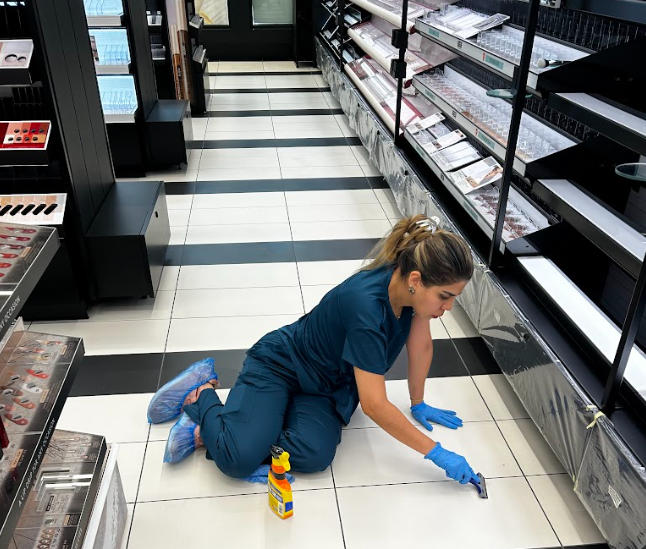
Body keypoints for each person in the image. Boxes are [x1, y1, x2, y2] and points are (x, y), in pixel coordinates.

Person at [147, 214, 479, 486]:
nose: (448, 307)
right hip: (281, 366)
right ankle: (202, 398)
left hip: (325, 388)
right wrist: (436, 452)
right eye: (445, 296)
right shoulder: (367, 307)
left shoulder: (410, 292)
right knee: (238, 460)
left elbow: (420, 345)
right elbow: (375, 405)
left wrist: (418, 402)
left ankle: (243, 429)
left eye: (453, 298)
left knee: (314, 456)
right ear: (417, 280)